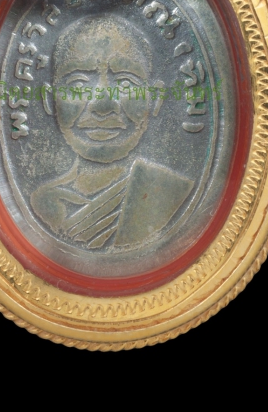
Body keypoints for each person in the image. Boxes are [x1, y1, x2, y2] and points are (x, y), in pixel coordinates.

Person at [31, 15, 193, 250]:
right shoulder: (43, 202)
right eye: (78, 84)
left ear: (154, 99)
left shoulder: (172, 194)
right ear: (50, 100)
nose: (102, 105)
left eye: (126, 83)